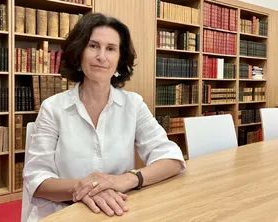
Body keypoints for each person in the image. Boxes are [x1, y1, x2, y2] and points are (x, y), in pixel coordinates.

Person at [22, 12, 186, 222]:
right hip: (64, 213)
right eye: (93, 46)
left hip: (118, 211)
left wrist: (126, 180)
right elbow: (36, 180)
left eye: (111, 49)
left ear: (119, 60)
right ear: (79, 53)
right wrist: (90, 187)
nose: (101, 56)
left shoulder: (133, 104)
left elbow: (172, 159)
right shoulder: (52, 108)